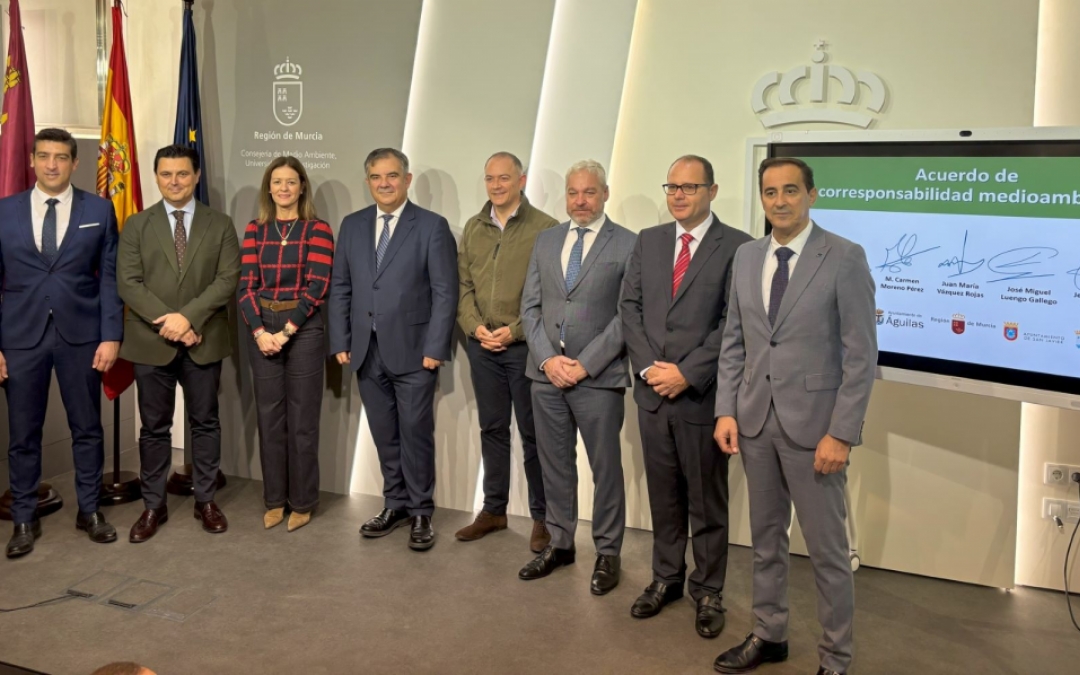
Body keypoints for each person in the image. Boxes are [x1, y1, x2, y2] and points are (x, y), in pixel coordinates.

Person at [712, 157, 876, 675]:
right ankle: (770, 633)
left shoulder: (844, 257)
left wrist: (842, 433)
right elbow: (734, 342)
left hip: (816, 431)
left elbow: (861, 356)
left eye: (790, 190)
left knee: (828, 553)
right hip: (755, 423)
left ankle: (836, 658)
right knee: (765, 541)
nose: (779, 201)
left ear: (812, 195)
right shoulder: (746, 256)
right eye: (770, 192)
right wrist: (726, 410)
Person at [621, 155, 752, 638]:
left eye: (689, 187)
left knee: (706, 502)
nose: (678, 195)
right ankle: (666, 578)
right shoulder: (649, 240)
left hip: (701, 397)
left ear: (712, 192)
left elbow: (733, 322)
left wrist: (688, 373)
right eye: (672, 187)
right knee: (664, 497)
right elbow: (629, 307)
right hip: (653, 393)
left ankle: (709, 590)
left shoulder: (738, 247)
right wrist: (650, 370)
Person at [0, 127, 123, 558]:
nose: (52, 164)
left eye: (61, 157)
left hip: (82, 337)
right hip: (20, 338)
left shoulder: (100, 210)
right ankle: (23, 517)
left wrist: (111, 335)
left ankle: (90, 510)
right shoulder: (4, 211)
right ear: (32, 160)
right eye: (44, 156)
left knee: (87, 428)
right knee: (23, 434)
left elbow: (109, 278)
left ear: (75, 162)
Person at [517, 160, 636, 596]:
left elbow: (627, 315)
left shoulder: (628, 243)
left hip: (598, 378)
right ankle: (560, 543)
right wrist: (548, 360)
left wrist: (585, 364)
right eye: (573, 192)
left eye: (589, 192)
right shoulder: (546, 240)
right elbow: (530, 307)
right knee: (555, 465)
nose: (580, 201)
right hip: (546, 376)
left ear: (605, 193)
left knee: (605, 469)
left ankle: (608, 552)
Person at [329, 148, 457, 551]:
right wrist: (341, 339)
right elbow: (341, 286)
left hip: (416, 352)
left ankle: (420, 511)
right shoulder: (352, 225)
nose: (384, 183)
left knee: (415, 434)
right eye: (376, 177)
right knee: (384, 434)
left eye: (392, 176)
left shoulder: (432, 226)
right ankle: (395, 504)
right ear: (367, 181)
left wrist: (435, 346)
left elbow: (444, 292)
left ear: (407, 179)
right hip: (366, 350)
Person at [117, 144, 241, 543]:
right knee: (154, 428)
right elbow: (128, 283)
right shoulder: (137, 224)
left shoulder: (220, 224)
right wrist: (171, 323)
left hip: (203, 339)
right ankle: (153, 506)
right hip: (150, 342)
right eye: (166, 174)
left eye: (183, 173)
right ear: (156, 176)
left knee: (205, 422)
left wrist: (188, 318)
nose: (175, 181)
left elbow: (227, 279)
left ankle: (206, 500)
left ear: (197, 176)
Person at [454, 151, 557, 552]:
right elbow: (463, 285)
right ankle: (494, 510)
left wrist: (513, 332)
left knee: (534, 434)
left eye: (504, 178)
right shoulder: (474, 227)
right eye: (490, 178)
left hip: (525, 348)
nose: (496, 185)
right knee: (492, 429)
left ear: (521, 181)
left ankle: (543, 517)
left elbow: (550, 296)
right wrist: (474, 327)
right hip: (482, 347)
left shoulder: (545, 228)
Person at [237, 156, 334, 532]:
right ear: (269, 187)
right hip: (262, 328)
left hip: (303, 329)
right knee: (269, 419)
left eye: (291, 181)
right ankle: (275, 500)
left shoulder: (317, 229)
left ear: (302, 187)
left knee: (303, 421)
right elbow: (246, 286)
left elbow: (318, 286)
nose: (283, 188)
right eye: (277, 182)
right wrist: (260, 332)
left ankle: (303, 502)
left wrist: (287, 331)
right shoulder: (255, 229)